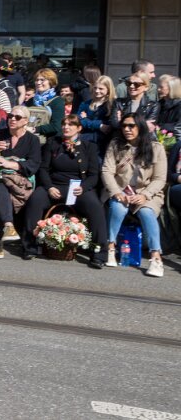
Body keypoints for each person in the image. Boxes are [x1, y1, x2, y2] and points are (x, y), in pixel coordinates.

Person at [27, 115, 105, 266]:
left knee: (95, 207)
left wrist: (83, 188)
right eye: (64, 124)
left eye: (71, 124)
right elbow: (43, 169)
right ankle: (30, 246)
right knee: (35, 200)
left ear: (79, 128)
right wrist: (49, 186)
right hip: (55, 185)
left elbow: (94, 175)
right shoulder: (52, 143)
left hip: (78, 188)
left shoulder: (89, 147)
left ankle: (98, 253)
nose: (66, 127)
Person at [102, 115, 167, 277]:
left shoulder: (156, 148)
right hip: (121, 189)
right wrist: (116, 191)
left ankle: (155, 257)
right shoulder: (116, 145)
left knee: (146, 211)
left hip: (147, 192)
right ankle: (110, 247)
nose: (127, 129)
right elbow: (107, 171)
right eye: (124, 126)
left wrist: (145, 195)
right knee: (118, 208)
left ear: (140, 127)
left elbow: (160, 178)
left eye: (131, 126)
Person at [0, 105, 41, 260]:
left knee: (1, 189)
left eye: (17, 117)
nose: (12, 119)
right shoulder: (0, 134)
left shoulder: (32, 140)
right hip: (2, 178)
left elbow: (34, 163)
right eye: (10, 116)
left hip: (22, 181)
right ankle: (7, 228)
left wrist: (12, 164)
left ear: (25, 121)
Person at [78, 74, 116, 156]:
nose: (97, 91)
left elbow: (108, 126)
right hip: (85, 141)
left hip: (102, 144)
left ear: (108, 89)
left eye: (101, 88)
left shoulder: (112, 105)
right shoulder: (85, 104)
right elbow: (78, 121)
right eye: (95, 88)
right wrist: (98, 125)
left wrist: (86, 120)